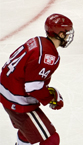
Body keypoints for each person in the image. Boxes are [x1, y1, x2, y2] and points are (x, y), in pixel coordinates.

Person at [1, 14, 74, 145]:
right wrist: (50, 98)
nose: (68, 36)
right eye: (67, 33)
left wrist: (49, 93)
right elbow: (32, 87)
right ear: (61, 34)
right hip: (17, 99)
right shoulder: (48, 56)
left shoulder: (37, 41)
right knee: (51, 139)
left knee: (27, 132)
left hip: (6, 91)